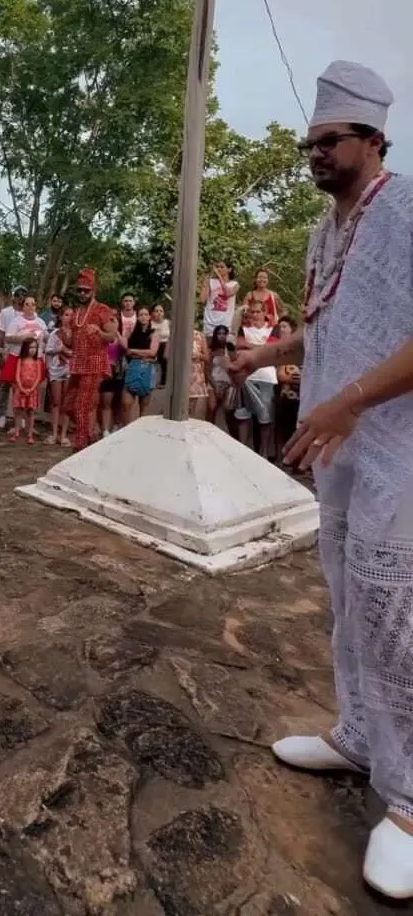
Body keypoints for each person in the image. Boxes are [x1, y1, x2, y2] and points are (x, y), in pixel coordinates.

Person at [228, 61, 413, 900]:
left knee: (395, 608)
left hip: (396, 445)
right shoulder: (320, 236)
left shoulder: (405, 210)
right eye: (308, 142)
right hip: (337, 448)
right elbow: (324, 326)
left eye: (326, 141)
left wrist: (350, 401)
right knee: (344, 595)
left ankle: (409, 803)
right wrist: (263, 357)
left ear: (372, 140)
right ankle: (359, 738)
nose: (312, 154)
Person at [65, 269, 117, 450]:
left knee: (81, 405)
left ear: (93, 291)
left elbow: (112, 336)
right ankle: (91, 436)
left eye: (86, 290)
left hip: (94, 364)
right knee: (68, 405)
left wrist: (99, 331)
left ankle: (80, 444)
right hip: (77, 365)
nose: (82, 293)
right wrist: (64, 332)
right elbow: (71, 342)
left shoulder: (102, 310)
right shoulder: (76, 313)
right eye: (79, 290)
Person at [235, 302, 277, 458]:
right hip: (246, 377)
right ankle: (241, 452)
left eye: (257, 312)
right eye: (251, 312)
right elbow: (238, 346)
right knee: (243, 415)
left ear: (264, 312)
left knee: (265, 417)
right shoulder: (243, 329)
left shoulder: (273, 329)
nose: (254, 315)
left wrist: (250, 346)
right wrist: (261, 348)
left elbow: (274, 350)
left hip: (266, 377)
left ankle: (264, 453)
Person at [0, 286, 27, 430]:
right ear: (14, 296)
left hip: (23, 354)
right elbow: (0, 332)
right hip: (8, 352)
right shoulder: (6, 312)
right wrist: (2, 352)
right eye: (18, 295)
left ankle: (19, 416)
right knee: (4, 384)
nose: (21, 297)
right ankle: (1, 414)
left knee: (20, 386)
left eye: (24, 295)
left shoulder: (28, 313)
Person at [0, 295, 48, 392]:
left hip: (35, 359)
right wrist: (24, 337)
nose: (30, 307)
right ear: (23, 307)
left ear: (36, 307)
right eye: (27, 304)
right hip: (18, 358)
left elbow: (46, 337)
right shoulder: (16, 321)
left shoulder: (41, 322)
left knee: (34, 391)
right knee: (17, 391)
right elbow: (8, 338)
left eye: (33, 304)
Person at [121, 307, 159, 424]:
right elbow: (126, 350)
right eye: (141, 314)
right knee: (126, 404)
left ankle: (142, 433)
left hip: (147, 369)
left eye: (146, 314)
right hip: (132, 367)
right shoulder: (131, 333)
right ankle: (126, 430)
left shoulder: (154, 333)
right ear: (137, 317)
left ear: (149, 317)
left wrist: (134, 351)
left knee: (144, 407)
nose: (143, 316)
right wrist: (137, 352)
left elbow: (152, 352)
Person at [45, 306, 73, 445]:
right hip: (56, 369)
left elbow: (78, 353)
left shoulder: (76, 334)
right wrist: (59, 349)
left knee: (67, 403)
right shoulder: (55, 334)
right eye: (66, 314)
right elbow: (48, 351)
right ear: (61, 317)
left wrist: (68, 352)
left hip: (69, 369)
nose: (68, 317)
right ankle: (54, 433)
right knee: (56, 402)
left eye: (70, 315)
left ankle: (64, 435)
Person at [9, 339, 45, 444]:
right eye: (30, 347)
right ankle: (16, 432)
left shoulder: (37, 361)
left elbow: (38, 377)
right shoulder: (21, 360)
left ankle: (30, 434)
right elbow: (17, 375)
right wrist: (21, 388)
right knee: (18, 412)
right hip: (21, 390)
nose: (32, 350)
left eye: (34, 347)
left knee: (31, 412)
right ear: (25, 348)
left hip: (32, 391)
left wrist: (32, 389)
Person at [274, 316, 301, 456]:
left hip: (302, 394)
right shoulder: (277, 346)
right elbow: (279, 374)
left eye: (285, 326)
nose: (282, 330)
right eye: (280, 327)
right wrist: (288, 379)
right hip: (285, 392)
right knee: (286, 424)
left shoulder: (300, 346)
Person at [200, 261, 239, 341]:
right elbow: (202, 299)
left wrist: (219, 276)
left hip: (225, 324)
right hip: (209, 323)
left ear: (229, 269)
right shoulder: (211, 282)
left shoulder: (235, 284)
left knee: (222, 350)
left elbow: (228, 293)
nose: (218, 269)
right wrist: (207, 282)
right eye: (217, 267)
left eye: (222, 267)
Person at [207, 325, 237, 430]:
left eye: (224, 333)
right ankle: (209, 431)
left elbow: (235, 367)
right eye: (219, 333)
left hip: (229, 384)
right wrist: (215, 386)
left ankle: (231, 436)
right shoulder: (211, 351)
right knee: (211, 408)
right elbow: (208, 372)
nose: (221, 336)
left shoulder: (231, 350)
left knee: (228, 411)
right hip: (214, 382)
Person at [188, 328, 210, 419]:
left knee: (191, 407)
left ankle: (189, 429)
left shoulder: (199, 335)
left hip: (195, 374)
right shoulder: (177, 334)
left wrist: (198, 355)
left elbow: (207, 357)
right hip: (181, 373)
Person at [151, 303, 170, 387]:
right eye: (156, 311)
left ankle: (164, 380)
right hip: (153, 345)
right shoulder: (149, 323)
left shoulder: (168, 323)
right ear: (152, 313)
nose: (159, 313)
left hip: (166, 346)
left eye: (161, 311)